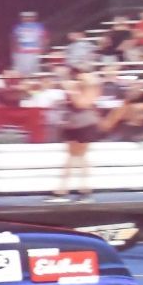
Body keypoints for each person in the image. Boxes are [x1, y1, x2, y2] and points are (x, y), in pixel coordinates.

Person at [52, 71, 101, 201]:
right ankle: (75, 187)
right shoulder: (76, 88)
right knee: (73, 156)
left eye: (81, 78)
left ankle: (79, 187)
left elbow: (81, 104)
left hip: (85, 124)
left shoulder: (91, 90)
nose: (78, 80)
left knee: (79, 156)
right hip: (72, 124)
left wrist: (72, 92)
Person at [10, 11, 47, 76]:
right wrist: (14, 49)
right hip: (20, 52)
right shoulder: (18, 27)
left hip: (34, 51)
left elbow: (44, 38)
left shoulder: (39, 27)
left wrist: (43, 48)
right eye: (25, 17)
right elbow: (14, 39)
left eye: (30, 17)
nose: (28, 19)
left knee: (33, 70)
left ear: (34, 18)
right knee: (20, 70)